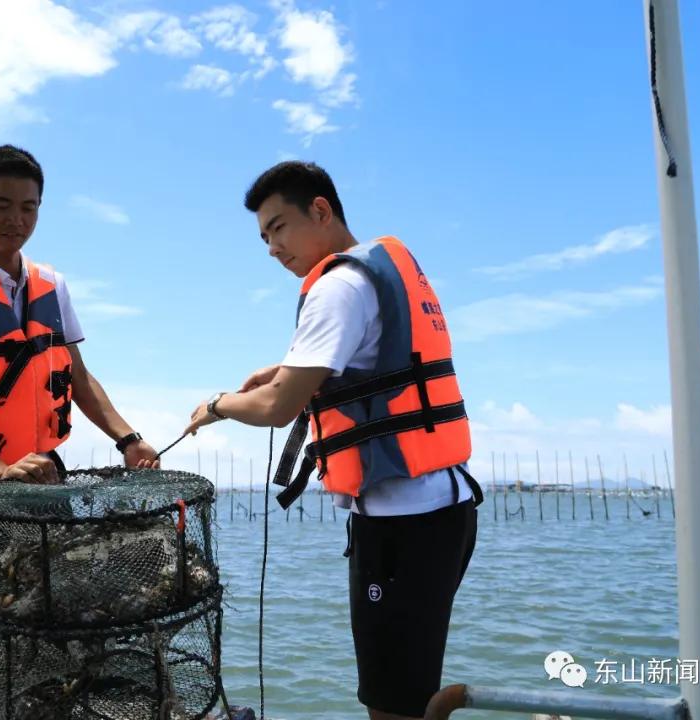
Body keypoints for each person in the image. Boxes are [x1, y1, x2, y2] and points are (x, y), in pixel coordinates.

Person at [183, 161, 482, 720]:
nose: (272, 247)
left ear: (320, 210)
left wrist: (217, 405)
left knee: (392, 705)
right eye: (264, 237)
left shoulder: (336, 286)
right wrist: (286, 366)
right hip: (446, 509)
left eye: (279, 228)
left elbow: (278, 408)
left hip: (404, 525)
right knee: (408, 688)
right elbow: (372, 360)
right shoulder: (377, 269)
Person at [0, 144, 159, 676]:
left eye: (29, 207)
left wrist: (127, 438)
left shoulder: (53, 286)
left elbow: (79, 379)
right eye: (1, 204)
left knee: (50, 621)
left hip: (46, 483)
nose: (15, 220)